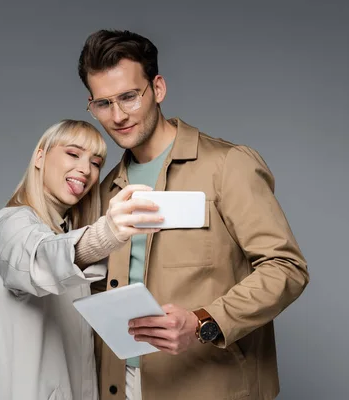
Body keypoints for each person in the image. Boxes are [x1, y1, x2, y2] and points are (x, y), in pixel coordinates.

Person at [77, 30, 310, 400]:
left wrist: (204, 321)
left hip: (212, 387)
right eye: (103, 104)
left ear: (158, 88)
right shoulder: (105, 190)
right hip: (122, 387)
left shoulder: (228, 166)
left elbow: (286, 268)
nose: (118, 116)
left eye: (128, 97)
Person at [0, 119, 165, 400]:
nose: (86, 170)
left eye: (96, 162)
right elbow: (40, 260)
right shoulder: (11, 222)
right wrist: (106, 234)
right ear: (40, 156)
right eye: (73, 154)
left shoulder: (64, 230)